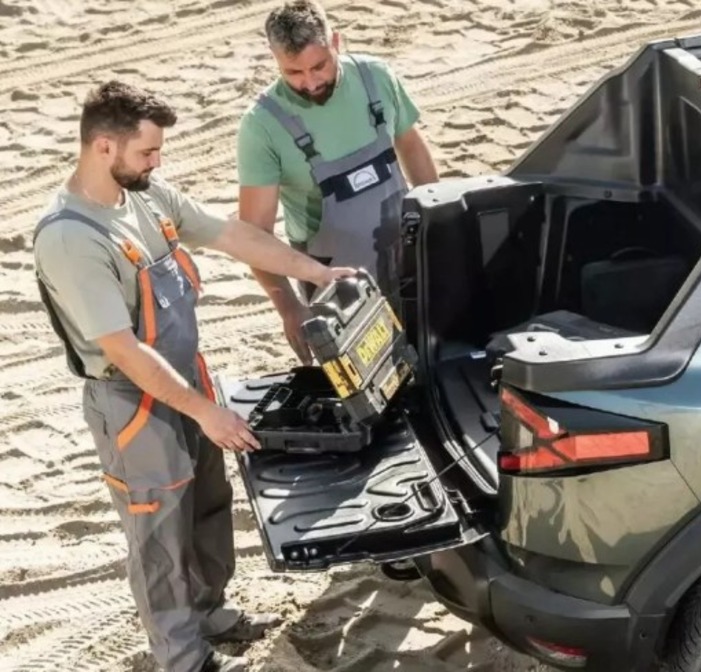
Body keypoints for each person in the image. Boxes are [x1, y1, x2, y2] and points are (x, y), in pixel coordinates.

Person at [32, 81, 357, 672]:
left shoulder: (147, 197)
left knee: (208, 503)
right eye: (147, 153)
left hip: (186, 378)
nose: (157, 163)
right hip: (132, 402)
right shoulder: (72, 237)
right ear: (105, 147)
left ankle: (210, 613)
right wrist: (205, 411)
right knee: (159, 537)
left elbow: (233, 235)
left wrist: (317, 273)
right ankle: (182, 657)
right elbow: (124, 351)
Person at [237, 0, 439, 365]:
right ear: (274, 58)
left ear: (336, 42)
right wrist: (288, 307)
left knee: (434, 366)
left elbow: (410, 145)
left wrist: (437, 223)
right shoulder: (262, 126)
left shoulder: (375, 78)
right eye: (293, 72)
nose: (311, 82)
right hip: (335, 287)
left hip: (410, 260)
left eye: (319, 65)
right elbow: (254, 234)